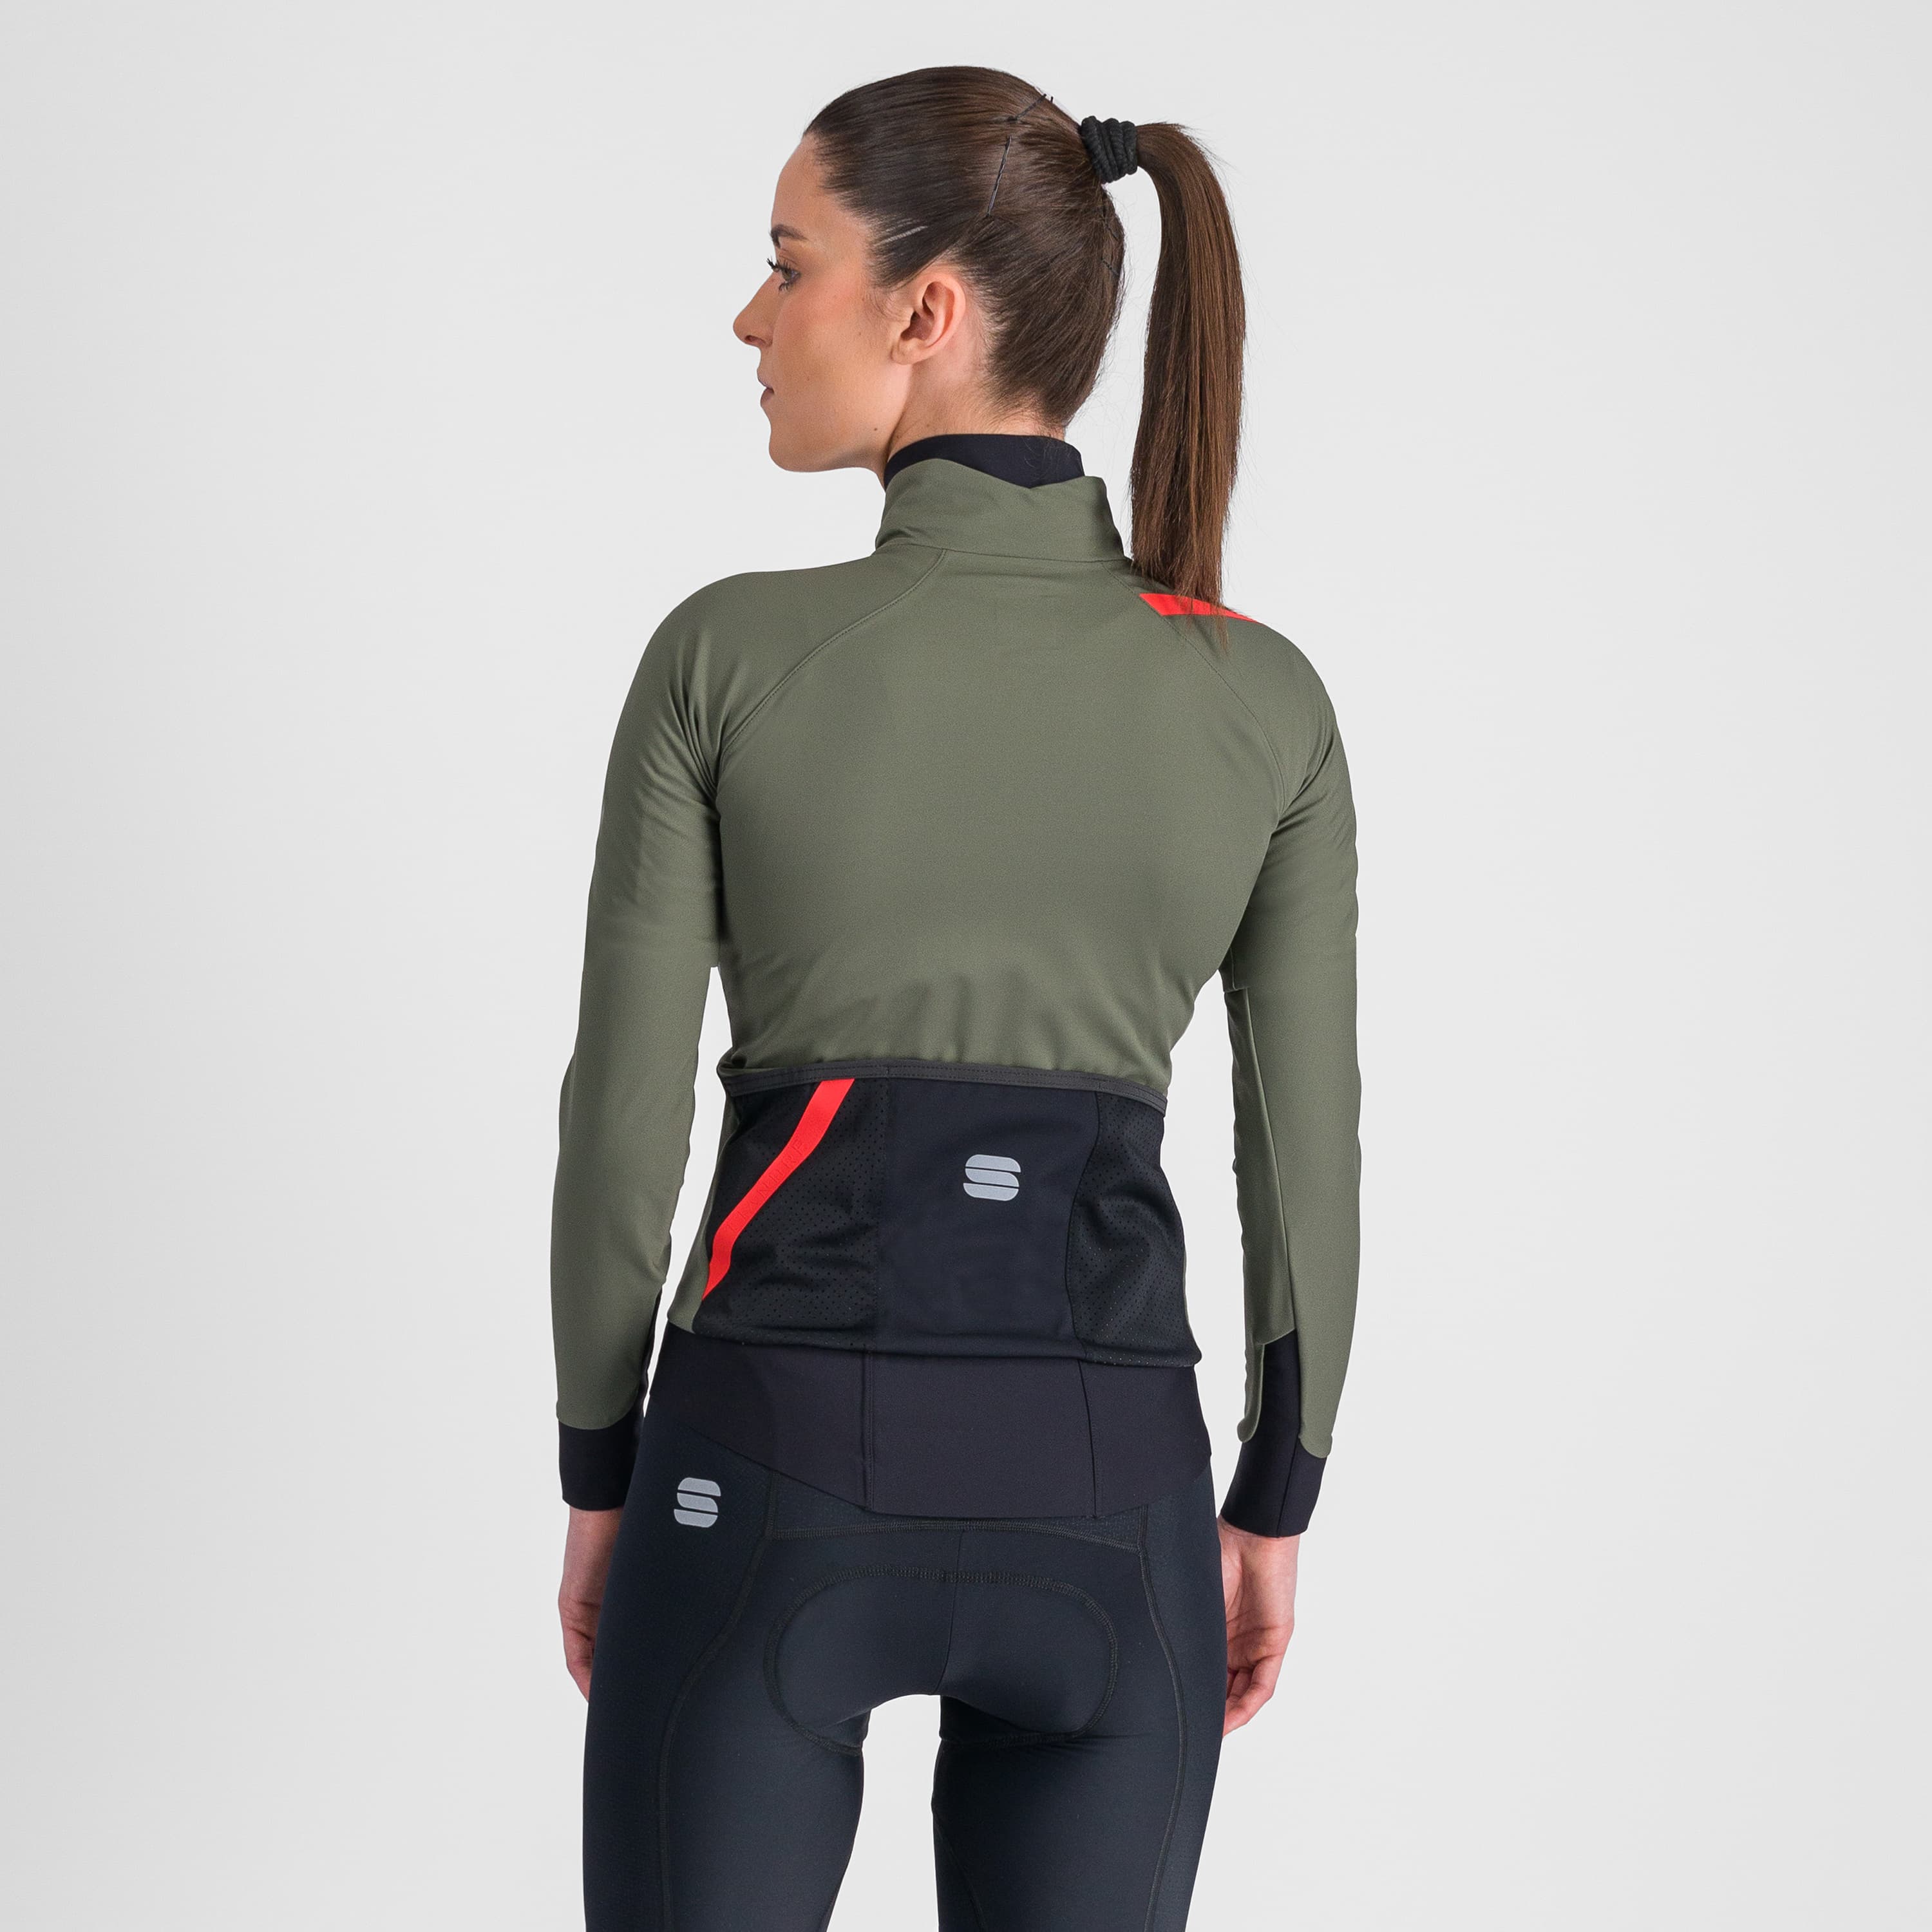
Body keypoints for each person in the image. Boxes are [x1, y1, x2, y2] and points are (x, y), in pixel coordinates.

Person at [547, 65, 1361, 1932]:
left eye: (787, 264)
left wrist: (603, 1474)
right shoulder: (1264, 701)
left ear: (926, 312)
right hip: (1118, 1514)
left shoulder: (725, 658)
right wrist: (1274, 1500)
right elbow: (1304, 1152)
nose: (751, 317)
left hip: (758, 1478)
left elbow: (622, 1121)